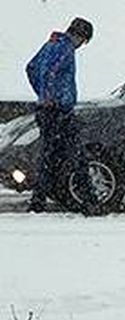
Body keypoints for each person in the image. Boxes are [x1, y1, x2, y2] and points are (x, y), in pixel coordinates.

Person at [25, 17, 99, 214]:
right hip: (58, 112)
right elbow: (51, 72)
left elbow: (31, 67)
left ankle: (38, 202)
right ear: (80, 36)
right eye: (84, 41)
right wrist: (50, 97)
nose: (81, 46)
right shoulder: (65, 49)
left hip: (47, 111)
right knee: (77, 155)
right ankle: (90, 201)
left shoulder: (51, 44)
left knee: (49, 157)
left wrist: (40, 94)